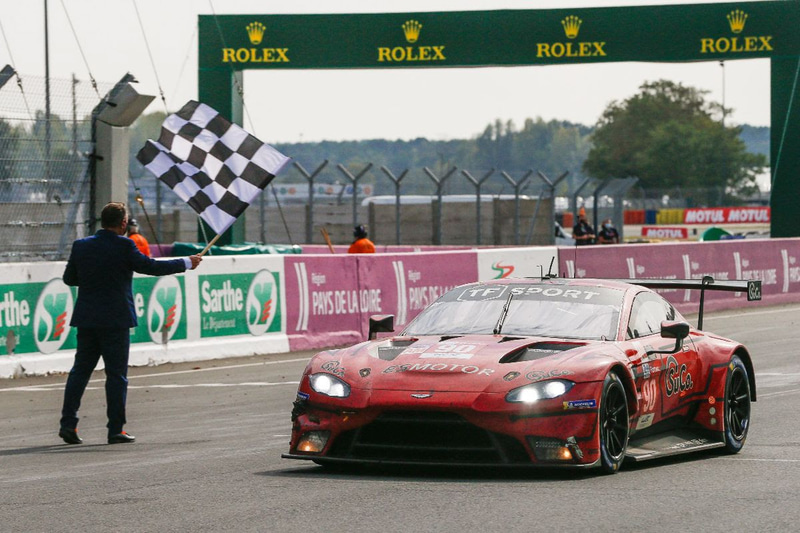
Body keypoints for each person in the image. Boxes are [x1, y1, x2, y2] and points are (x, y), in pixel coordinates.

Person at [59, 202, 202, 445]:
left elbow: (69, 278)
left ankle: (68, 423)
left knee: (80, 372)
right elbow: (151, 267)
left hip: (87, 318)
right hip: (115, 319)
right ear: (123, 223)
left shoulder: (81, 245)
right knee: (116, 376)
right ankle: (116, 429)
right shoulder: (126, 245)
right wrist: (186, 263)